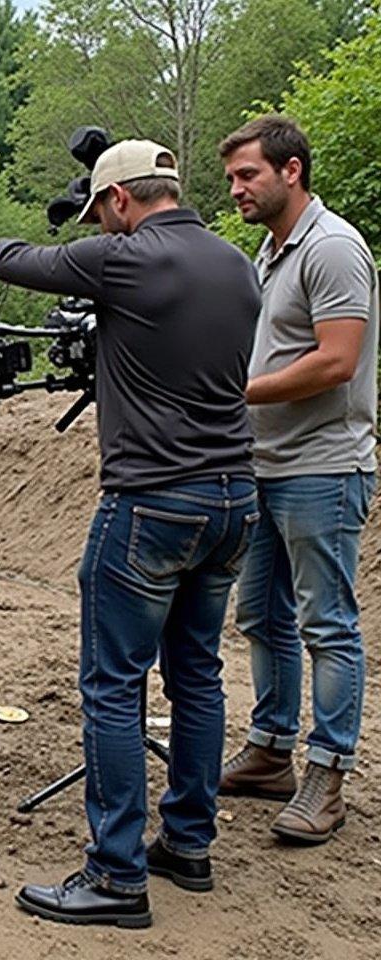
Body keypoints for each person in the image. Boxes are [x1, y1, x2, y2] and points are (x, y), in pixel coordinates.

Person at [0, 139, 261, 928]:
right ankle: (189, 842)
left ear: (120, 200)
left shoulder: (128, 259)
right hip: (234, 499)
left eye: (101, 213)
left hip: (152, 502)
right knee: (198, 675)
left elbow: (30, 261)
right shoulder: (236, 264)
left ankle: (116, 876)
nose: (101, 227)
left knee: (113, 687)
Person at [217, 116, 379, 844]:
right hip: (265, 465)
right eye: (231, 178)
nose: (236, 189)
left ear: (291, 171)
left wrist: (236, 392)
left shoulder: (334, 248)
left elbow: (336, 361)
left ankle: (328, 772)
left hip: (322, 465)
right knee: (261, 614)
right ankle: (271, 749)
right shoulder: (272, 250)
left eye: (247, 174)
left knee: (327, 625)